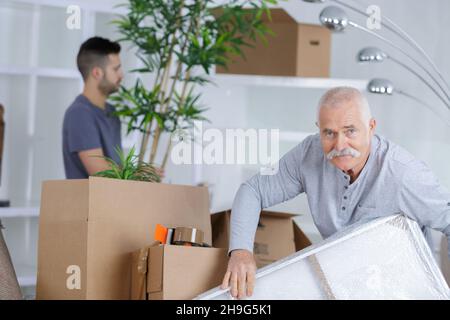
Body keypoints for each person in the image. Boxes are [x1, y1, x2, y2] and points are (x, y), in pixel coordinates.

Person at [221, 86, 450, 299]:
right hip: (343, 282)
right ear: (318, 130)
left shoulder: (405, 175)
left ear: (371, 127)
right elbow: (253, 190)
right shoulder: (308, 154)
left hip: (405, 288)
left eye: (350, 131)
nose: (340, 145)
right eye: (329, 133)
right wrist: (241, 252)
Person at [62, 36, 123, 179]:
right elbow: (100, 172)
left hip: (113, 199)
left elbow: (117, 168)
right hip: (88, 201)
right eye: (116, 69)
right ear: (97, 73)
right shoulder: (79, 113)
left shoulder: (112, 112)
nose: (121, 75)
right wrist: (139, 174)